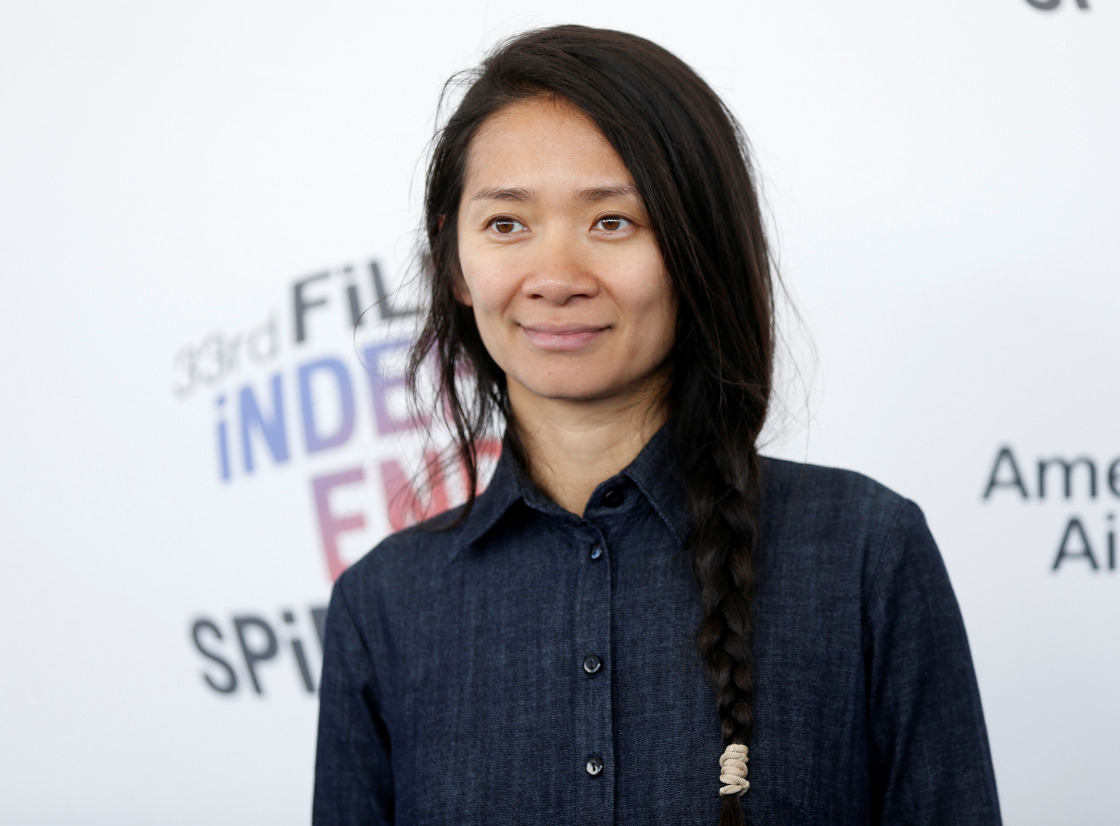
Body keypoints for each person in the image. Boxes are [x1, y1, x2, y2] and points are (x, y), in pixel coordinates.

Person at [312, 24, 1001, 826]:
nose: (556, 278)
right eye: (506, 224)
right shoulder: (383, 605)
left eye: (613, 222)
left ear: (696, 250)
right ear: (454, 263)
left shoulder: (865, 553)